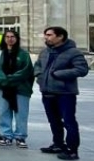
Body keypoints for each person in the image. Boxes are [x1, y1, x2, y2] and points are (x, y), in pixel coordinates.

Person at [34, 26, 90, 160]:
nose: (46, 37)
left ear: (60, 37)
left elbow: (82, 69)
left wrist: (59, 74)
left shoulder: (73, 52)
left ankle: (72, 150)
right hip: (47, 91)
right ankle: (58, 144)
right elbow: (37, 65)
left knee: (69, 122)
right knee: (54, 121)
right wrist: (39, 76)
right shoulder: (45, 52)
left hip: (65, 93)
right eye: (45, 35)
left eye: (49, 35)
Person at [0, 29, 33, 148]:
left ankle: (20, 137)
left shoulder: (24, 55)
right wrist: (4, 80)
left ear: (17, 38)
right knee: (3, 111)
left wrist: (12, 78)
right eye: (7, 36)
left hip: (21, 88)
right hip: (2, 87)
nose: (10, 39)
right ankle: (6, 135)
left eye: (12, 36)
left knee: (21, 113)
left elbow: (26, 70)